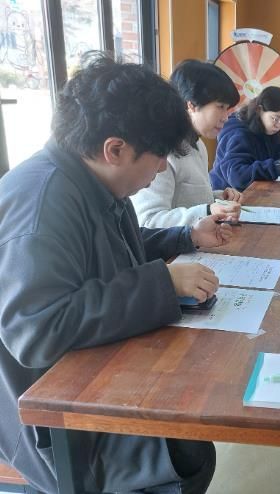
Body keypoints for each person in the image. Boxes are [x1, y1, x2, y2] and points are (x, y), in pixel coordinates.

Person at [0, 52, 233, 494]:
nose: (162, 167)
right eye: (159, 156)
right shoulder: (42, 202)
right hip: (54, 420)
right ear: (115, 149)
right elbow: (36, 329)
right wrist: (162, 283)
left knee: (191, 431)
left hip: (92, 375)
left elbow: (115, 247)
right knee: (188, 452)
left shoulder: (92, 179)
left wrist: (185, 236)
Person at [132, 59, 243, 227]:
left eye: (227, 109)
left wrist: (219, 198)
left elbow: (187, 201)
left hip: (199, 240)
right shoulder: (161, 150)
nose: (225, 118)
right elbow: (149, 221)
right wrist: (208, 210)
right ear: (192, 105)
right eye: (220, 107)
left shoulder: (198, 145)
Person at [209, 86, 280, 191]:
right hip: (225, 194)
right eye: (275, 118)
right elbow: (237, 176)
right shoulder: (239, 135)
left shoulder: (268, 129)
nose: (278, 125)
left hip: (252, 191)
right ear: (259, 110)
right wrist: (274, 168)